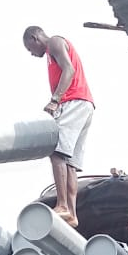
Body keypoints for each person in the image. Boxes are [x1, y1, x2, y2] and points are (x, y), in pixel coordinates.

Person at [23, 25, 94, 228]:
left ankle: (62, 204)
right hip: (85, 105)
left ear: (35, 38)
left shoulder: (54, 42)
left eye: (30, 48)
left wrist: (55, 100)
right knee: (69, 163)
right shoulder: (51, 50)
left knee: (56, 153)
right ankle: (71, 213)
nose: (31, 53)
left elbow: (69, 69)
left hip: (73, 101)